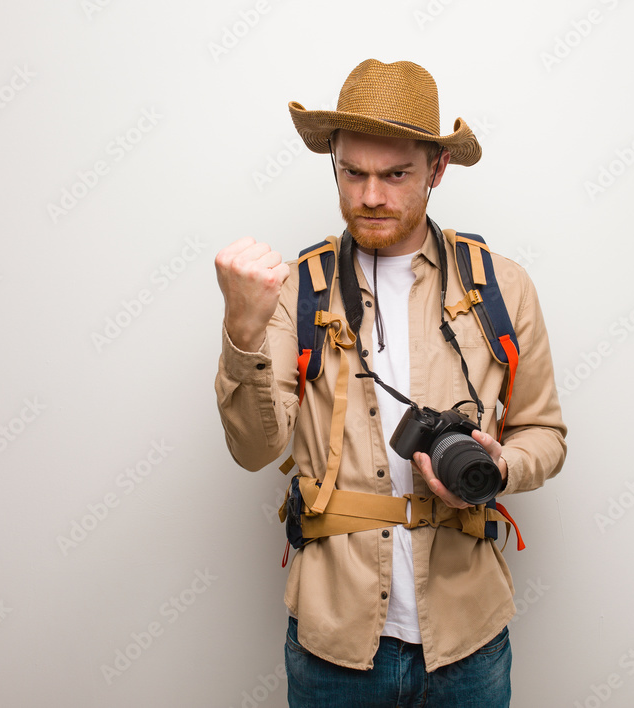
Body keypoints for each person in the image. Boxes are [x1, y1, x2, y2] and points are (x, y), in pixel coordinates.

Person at [214, 58, 566, 707]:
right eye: (353, 173)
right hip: (334, 641)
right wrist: (241, 327)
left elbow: (544, 432)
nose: (371, 196)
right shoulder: (294, 289)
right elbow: (254, 450)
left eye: (396, 174)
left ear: (438, 169)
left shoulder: (502, 285)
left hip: (469, 638)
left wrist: (501, 465)